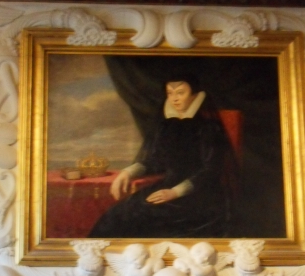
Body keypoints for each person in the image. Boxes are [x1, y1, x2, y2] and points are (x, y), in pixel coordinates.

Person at [89, 75, 237, 238]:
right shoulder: (166, 127)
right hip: (167, 186)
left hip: (200, 194)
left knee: (146, 218)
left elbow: (211, 170)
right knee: (118, 215)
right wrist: (127, 173)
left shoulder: (209, 128)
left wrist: (175, 192)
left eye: (180, 93)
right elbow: (154, 161)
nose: (174, 98)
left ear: (195, 95)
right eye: (170, 93)